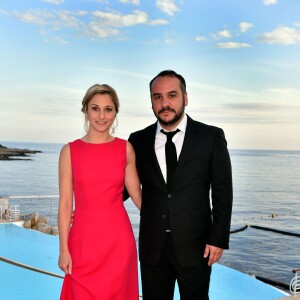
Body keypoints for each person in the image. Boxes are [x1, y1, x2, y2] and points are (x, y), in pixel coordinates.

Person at [125, 70, 233, 300]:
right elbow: (122, 187)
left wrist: (218, 238)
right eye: (157, 97)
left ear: (185, 97)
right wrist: (86, 208)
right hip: (153, 247)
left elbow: (223, 192)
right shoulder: (138, 140)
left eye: (172, 95)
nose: (165, 103)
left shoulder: (211, 137)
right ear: (151, 102)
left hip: (196, 247)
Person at [58, 84, 141, 299]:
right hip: (82, 245)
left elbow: (140, 198)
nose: (102, 116)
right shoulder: (69, 151)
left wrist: (178, 222)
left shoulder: (125, 149)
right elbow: (65, 204)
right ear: (86, 110)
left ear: (115, 112)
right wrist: (63, 250)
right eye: (95, 108)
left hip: (118, 245)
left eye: (108, 109)